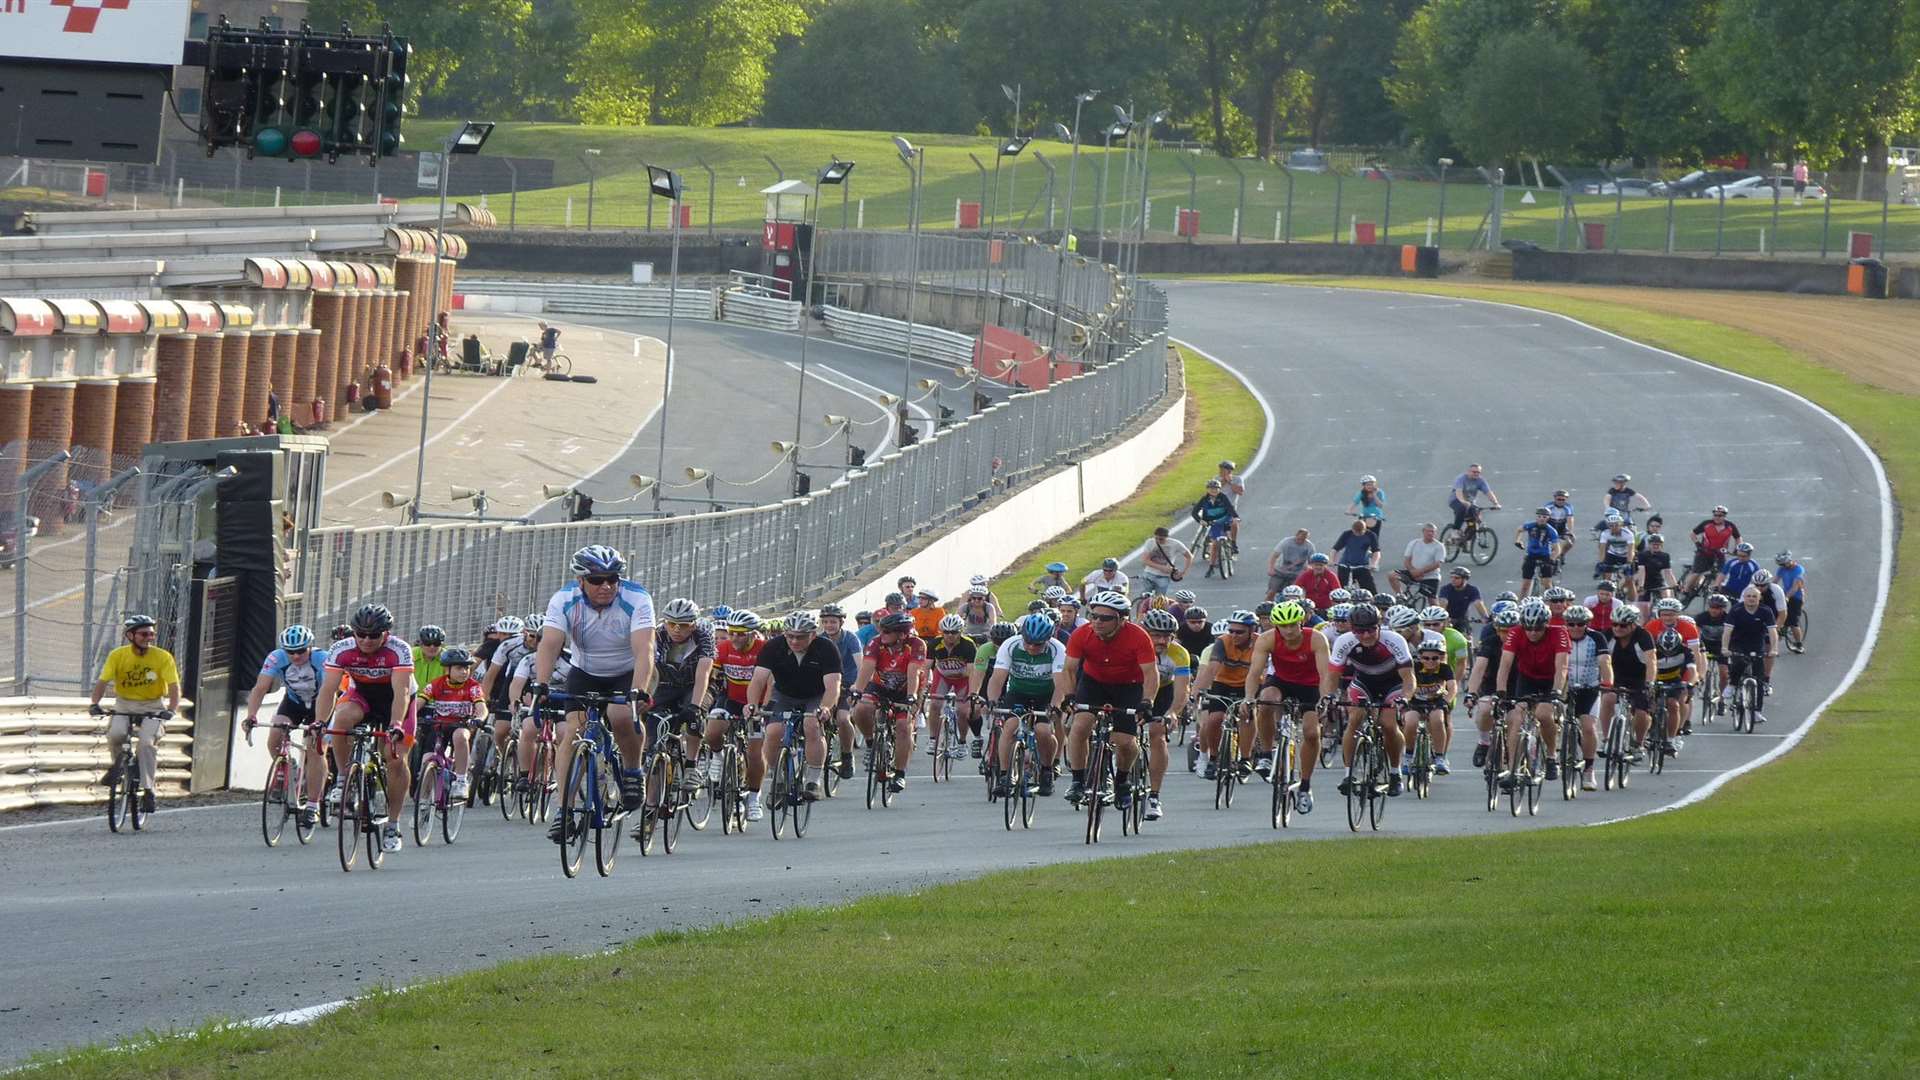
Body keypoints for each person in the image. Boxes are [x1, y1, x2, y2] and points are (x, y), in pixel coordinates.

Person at [530, 545, 657, 844]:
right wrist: (542, 684)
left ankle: (632, 771)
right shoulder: (563, 600)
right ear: (581, 581)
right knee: (571, 732)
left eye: (613, 578)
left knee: (621, 714)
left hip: (630, 670)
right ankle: (564, 809)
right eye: (598, 580)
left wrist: (637, 691)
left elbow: (645, 649)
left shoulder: (636, 598)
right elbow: (549, 644)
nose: (607, 586)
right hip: (585, 671)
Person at [314, 604, 415, 854]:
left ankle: (393, 824)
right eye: (361, 634)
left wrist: (396, 725)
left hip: (396, 699)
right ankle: (342, 779)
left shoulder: (399, 650)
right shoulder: (342, 649)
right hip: (363, 695)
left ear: (386, 634)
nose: (366, 640)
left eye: (374, 635)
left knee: (395, 759)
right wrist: (319, 721)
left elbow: (401, 691)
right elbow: (328, 690)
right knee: (341, 721)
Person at [1061, 591, 1159, 811]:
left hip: (1129, 686)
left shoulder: (1138, 636)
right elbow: (1068, 669)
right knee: (1079, 726)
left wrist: (1147, 701)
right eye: (1094, 616)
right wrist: (1068, 696)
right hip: (1094, 682)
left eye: (1105, 618)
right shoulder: (1081, 634)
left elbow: (1151, 673)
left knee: (1125, 741)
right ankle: (1078, 780)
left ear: (1122, 620)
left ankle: (1122, 781)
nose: (1097, 621)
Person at [91, 614, 183, 816]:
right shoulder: (117, 655)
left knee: (146, 744)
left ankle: (148, 790)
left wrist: (171, 710)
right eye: (144, 634)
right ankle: (120, 769)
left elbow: (174, 687)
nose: (149, 637)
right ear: (130, 635)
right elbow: (103, 681)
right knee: (116, 735)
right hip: (125, 703)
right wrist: (94, 704)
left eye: (151, 633)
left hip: (153, 705)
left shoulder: (163, 657)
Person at [746, 611, 844, 801]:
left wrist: (825, 707)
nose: (794, 641)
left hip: (816, 695)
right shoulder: (773, 646)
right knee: (773, 731)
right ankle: (778, 778)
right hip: (785, 694)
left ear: (813, 635)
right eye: (789, 636)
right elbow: (758, 679)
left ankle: (813, 781)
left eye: (800, 637)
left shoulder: (826, 648)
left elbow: (833, 685)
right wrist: (752, 704)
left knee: (812, 726)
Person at [1323, 603, 1414, 797]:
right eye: (1360, 631)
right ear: (1351, 628)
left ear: (1379, 625)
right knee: (1354, 719)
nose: (1366, 636)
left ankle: (1395, 773)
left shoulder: (1395, 640)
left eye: (1371, 629)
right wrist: (1329, 696)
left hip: (1392, 684)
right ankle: (1348, 775)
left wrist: (1405, 698)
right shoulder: (1344, 641)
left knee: (1388, 724)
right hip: (1363, 682)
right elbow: (1332, 676)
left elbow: (1408, 677)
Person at [1249, 600, 1332, 813]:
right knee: (1265, 700)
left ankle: (1305, 786)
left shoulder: (1316, 638)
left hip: (1310, 685)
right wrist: (1248, 697)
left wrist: (1325, 698)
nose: (1288, 630)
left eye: (1293, 625)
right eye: (1283, 626)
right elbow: (1255, 671)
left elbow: (1325, 674)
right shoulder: (1267, 639)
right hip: (1282, 681)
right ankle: (1266, 754)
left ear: (1301, 621)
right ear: (1276, 626)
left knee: (1311, 734)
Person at [243, 625, 328, 828]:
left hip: (321, 702)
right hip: (294, 702)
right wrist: (251, 716)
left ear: (310, 647)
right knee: (275, 736)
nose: (296, 656)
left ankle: (312, 807)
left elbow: (328, 691)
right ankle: (290, 767)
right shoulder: (276, 657)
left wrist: (321, 722)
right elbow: (260, 688)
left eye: (301, 651)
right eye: (291, 652)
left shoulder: (322, 658)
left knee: (316, 749)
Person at [989, 613, 1070, 799]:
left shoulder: (1057, 649)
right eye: (1028, 642)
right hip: (1018, 692)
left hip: (1046, 694)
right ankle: (1004, 776)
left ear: (1048, 640)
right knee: (1009, 726)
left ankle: (1047, 770)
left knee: (1043, 730)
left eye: (1038, 644)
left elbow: (1061, 684)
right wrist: (993, 699)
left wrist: (1055, 706)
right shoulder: (1011, 645)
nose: (1032, 647)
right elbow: (998, 678)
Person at [849, 611, 928, 794]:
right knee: (861, 709)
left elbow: (913, 671)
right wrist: (858, 691)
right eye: (881, 630)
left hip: (907, 688)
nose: (881, 634)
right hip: (880, 685)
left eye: (887, 632)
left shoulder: (917, 644)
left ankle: (900, 773)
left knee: (903, 725)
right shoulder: (876, 642)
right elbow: (867, 668)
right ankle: (871, 744)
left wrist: (911, 696)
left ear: (901, 634)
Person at [1493, 600, 1570, 788]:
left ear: (1546, 625)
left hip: (1551, 680)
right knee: (1516, 719)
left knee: (1544, 714)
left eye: (1538, 629)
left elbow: (1562, 666)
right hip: (1527, 678)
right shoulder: (1516, 633)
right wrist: (1501, 692)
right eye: (1529, 628)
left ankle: (1551, 756)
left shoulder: (1559, 633)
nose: (1533, 633)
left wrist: (1556, 692)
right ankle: (1512, 770)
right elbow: (1505, 665)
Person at [1191, 610, 1260, 780]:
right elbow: (1212, 668)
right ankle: (1214, 758)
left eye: (1239, 632)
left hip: (1248, 684)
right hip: (1223, 683)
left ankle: (1245, 758)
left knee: (1247, 715)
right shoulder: (1223, 642)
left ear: (1252, 631)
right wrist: (1199, 690)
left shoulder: (1260, 643)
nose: (1234, 635)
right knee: (1214, 719)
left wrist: (1252, 697)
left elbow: (1262, 671)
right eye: (1231, 631)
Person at [1138, 608, 1192, 819]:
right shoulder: (1135, 648)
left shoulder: (1179, 654)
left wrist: (1173, 713)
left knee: (1157, 735)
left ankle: (1154, 795)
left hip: (1164, 692)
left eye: (1166, 636)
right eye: (1156, 635)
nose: (1161, 640)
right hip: (1136, 689)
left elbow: (1182, 689)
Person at [418, 647, 485, 798]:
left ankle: (461, 781)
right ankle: (423, 803)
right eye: (459, 668)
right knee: (426, 761)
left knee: (460, 736)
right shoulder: (435, 684)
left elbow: (481, 707)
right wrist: (407, 717)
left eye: (467, 668)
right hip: (439, 726)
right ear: (447, 669)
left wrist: (479, 718)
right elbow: (418, 703)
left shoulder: (473, 686)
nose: (464, 672)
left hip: (461, 725)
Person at [1561, 604, 1606, 791]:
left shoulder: (1597, 638)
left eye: (1580, 624)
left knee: (1588, 727)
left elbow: (1605, 661)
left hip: (1589, 688)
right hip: (1564, 687)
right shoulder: (1560, 637)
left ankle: (1588, 768)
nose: (1575, 628)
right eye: (1571, 624)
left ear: (1587, 624)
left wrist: (1608, 680)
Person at [1723, 586, 1779, 726]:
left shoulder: (1766, 611)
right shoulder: (1736, 610)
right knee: (1739, 663)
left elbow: (1772, 632)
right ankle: (1732, 684)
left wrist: (1774, 649)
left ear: (1759, 598)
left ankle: (1757, 711)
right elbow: (1727, 631)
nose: (1751, 599)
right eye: (1748, 596)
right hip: (1738, 643)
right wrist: (1725, 647)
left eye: (1754, 596)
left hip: (1756, 644)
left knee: (1759, 679)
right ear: (1744, 597)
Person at [927, 615, 980, 757]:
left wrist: (971, 694)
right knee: (934, 705)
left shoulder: (968, 645)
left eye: (954, 632)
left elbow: (971, 671)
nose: (950, 635)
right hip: (943, 676)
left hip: (963, 679)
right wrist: (923, 686)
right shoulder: (934, 644)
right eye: (946, 632)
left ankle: (962, 742)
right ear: (941, 632)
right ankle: (933, 739)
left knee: (963, 711)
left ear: (960, 632)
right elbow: (925, 668)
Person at [1685, 506, 1741, 597]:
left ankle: (1716, 593)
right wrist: (1698, 544)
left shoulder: (1730, 526)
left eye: (1720, 515)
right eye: (1715, 515)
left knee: (1721, 574)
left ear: (1724, 516)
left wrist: (1737, 549)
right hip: (1704, 552)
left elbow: (1738, 538)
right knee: (1697, 572)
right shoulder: (1706, 524)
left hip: (1720, 554)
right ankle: (1686, 590)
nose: (1717, 517)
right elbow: (1693, 533)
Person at [1190, 480, 1239, 573]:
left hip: (1224, 519)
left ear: (1220, 489)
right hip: (1212, 522)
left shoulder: (1223, 497)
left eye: (1216, 489)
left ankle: (1232, 544)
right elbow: (1194, 512)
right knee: (1215, 543)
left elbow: (1230, 508)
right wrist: (1201, 521)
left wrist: (1236, 517)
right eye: (1211, 489)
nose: (1214, 490)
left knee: (1232, 525)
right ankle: (1211, 566)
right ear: (1207, 489)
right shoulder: (1204, 499)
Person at [1513, 507, 1561, 599]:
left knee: (1547, 585)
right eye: (1539, 516)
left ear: (1548, 518)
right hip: (1531, 556)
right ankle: (1521, 606)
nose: (1542, 518)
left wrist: (1552, 559)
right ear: (1536, 517)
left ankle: (1551, 603)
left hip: (1545, 557)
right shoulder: (1531, 526)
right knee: (1525, 586)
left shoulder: (1551, 531)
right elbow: (1519, 529)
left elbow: (1557, 549)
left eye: (1544, 517)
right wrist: (1518, 541)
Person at [1392, 521, 1447, 601]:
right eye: (1428, 531)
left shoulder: (1439, 546)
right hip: (1413, 573)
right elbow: (1407, 559)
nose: (1430, 533)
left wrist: (1420, 572)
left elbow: (1438, 564)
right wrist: (1412, 571)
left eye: (1433, 532)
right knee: (1392, 575)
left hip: (1430, 576)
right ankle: (1400, 595)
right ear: (1423, 531)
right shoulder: (1414, 543)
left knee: (1432, 600)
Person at [1139, 526, 1193, 600]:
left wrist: (1184, 572)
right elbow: (1145, 560)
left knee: (1159, 601)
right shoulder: (1150, 542)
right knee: (1144, 599)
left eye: (1161, 539)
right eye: (1156, 538)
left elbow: (1189, 556)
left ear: (1167, 537)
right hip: (1149, 575)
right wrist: (1162, 567)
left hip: (1163, 577)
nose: (1158, 541)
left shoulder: (1175, 544)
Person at [1331, 517, 1381, 592]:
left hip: (1362, 566)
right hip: (1345, 566)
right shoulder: (1347, 534)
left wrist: (1374, 564)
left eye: (1360, 533)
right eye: (1355, 532)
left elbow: (1376, 552)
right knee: (1342, 591)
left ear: (1365, 529)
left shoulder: (1371, 535)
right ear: (1352, 529)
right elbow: (1335, 549)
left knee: (1371, 591)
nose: (1357, 534)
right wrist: (1332, 560)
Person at [1448, 463, 1502, 530]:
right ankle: (1455, 531)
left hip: (1470, 503)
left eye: (1478, 472)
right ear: (1468, 472)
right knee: (1462, 508)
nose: (1476, 474)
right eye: (1474, 472)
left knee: (1476, 519)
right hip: (1456, 500)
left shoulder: (1481, 481)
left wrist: (1496, 503)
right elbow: (1458, 492)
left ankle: (1468, 537)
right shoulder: (1461, 479)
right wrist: (1463, 501)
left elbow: (1488, 492)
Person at [1266, 528, 1315, 602]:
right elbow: (1274, 555)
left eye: (1303, 540)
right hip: (1280, 571)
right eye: (1299, 539)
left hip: (1296, 574)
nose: (1300, 541)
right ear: (1296, 535)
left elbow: (1312, 561)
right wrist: (1271, 568)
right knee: (1271, 592)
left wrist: (1309, 568)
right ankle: (1266, 606)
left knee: (1295, 594)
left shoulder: (1309, 546)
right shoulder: (1286, 542)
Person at [1774, 551, 1808, 652]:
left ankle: (1799, 644)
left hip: (1796, 597)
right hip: (1785, 594)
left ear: (1789, 561)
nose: (1783, 566)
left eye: (1784, 564)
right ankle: (1778, 635)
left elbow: (1795, 587)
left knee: (1793, 622)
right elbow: (1775, 581)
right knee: (1775, 615)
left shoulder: (1799, 570)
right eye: (1781, 565)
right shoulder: (1782, 569)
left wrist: (1787, 597)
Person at [1438, 566, 1486, 632]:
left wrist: (1486, 618)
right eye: (1451, 577)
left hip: (1463, 619)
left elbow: (1478, 603)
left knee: (1467, 638)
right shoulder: (1446, 589)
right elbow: (1443, 603)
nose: (1453, 580)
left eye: (1456, 578)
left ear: (1465, 579)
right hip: (1448, 618)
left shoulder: (1472, 589)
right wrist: (1444, 619)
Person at [1215, 460, 1246, 552]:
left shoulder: (1237, 479)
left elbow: (1240, 492)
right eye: (1220, 469)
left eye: (1222, 470)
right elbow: (1213, 492)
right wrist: (1224, 481)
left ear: (1229, 471)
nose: (1220, 471)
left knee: (1234, 522)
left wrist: (1230, 482)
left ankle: (1233, 542)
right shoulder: (1216, 479)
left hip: (1230, 508)